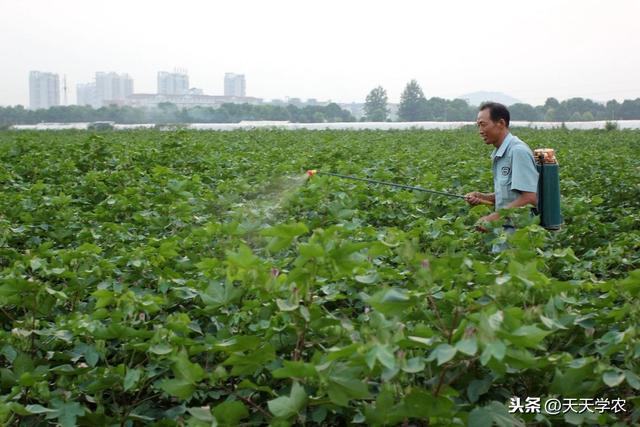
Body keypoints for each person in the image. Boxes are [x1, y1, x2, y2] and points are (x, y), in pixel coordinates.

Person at [465, 102, 538, 235]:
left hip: (519, 236)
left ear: (501, 123)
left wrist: (493, 218)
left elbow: (529, 198)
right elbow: (512, 194)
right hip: (503, 233)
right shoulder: (501, 153)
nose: (480, 131)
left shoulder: (517, 151)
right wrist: (484, 197)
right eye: (478, 125)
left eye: (483, 124)